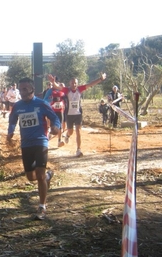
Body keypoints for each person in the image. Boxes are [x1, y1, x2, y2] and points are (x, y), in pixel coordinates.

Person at [7, 77, 60, 220]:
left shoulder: (42, 104)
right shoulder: (17, 106)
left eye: (25, 89)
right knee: (31, 177)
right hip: (26, 144)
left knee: (40, 175)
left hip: (41, 142)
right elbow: (12, 120)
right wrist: (10, 132)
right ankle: (47, 177)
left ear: (32, 89)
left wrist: (56, 127)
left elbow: (55, 118)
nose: (22, 92)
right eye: (20, 89)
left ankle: (42, 207)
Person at [48, 73, 106, 157]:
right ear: (69, 84)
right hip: (69, 115)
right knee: (71, 131)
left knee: (78, 131)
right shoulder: (67, 90)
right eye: (72, 83)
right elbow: (57, 87)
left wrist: (100, 79)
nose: (74, 84)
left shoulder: (80, 89)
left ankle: (78, 150)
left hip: (78, 114)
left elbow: (90, 84)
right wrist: (53, 82)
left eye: (75, 83)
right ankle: (67, 135)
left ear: (77, 83)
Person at [43, 77, 66, 147]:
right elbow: (45, 99)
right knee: (52, 126)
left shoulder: (62, 91)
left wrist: (64, 104)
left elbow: (66, 99)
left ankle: (59, 141)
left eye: (58, 83)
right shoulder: (50, 91)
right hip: (52, 111)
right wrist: (51, 101)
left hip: (60, 111)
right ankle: (48, 136)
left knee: (60, 126)